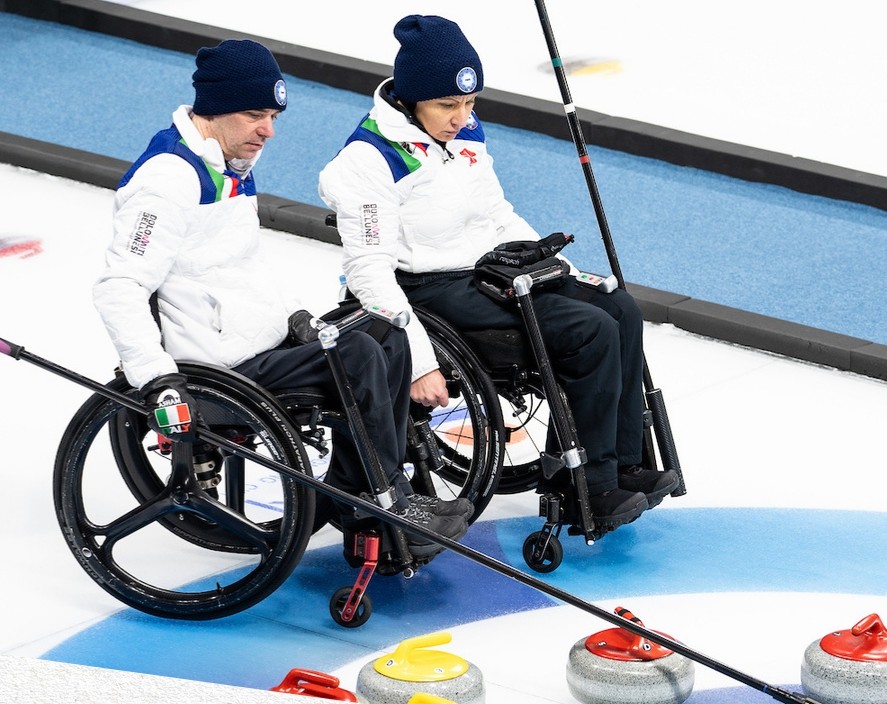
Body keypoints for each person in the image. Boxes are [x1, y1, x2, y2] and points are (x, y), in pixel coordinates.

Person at [91, 39, 469, 562]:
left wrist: (295, 317)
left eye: (272, 116)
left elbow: (245, 267)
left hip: (257, 342)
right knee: (357, 355)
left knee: (385, 329)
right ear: (213, 109)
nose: (268, 130)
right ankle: (380, 500)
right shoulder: (167, 180)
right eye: (255, 116)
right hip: (219, 365)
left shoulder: (228, 164)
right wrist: (156, 380)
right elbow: (120, 287)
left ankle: (365, 486)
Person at [318, 15, 679, 531]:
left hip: (484, 272)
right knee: (589, 330)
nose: (461, 118)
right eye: (448, 105)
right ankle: (587, 487)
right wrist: (420, 361)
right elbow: (369, 273)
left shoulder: (465, 133)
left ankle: (623, 463)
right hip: (425, 289)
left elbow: (497, 214)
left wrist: (560, 270)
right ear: (411, 99)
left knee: (617, 306)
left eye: (470, 103)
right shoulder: (368, 160)